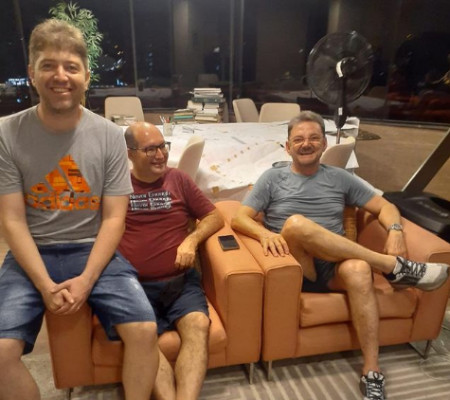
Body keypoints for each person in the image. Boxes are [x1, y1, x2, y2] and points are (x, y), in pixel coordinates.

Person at [230, 110, 449, 400]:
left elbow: (385, 206)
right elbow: (239, 218)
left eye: (313, 138)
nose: (306, 144)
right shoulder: (272, 178)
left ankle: (372, 371)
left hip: (334, 266)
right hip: (296, 267)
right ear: (288, 146)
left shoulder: (340, 178)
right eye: (298, 139)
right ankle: (392, 267)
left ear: (324, 144)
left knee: (359, 269)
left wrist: (396, 231)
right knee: (296, 224)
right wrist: (265, 234)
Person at [0, 20, 159, 400]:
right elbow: (12, 219)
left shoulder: (110, 136)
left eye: (71, 67)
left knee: (145, 331)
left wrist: (86, 279)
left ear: (86, 76)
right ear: (32, 74)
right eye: (48, 66)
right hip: (32, 251)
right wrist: (44, 284)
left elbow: (115, 218)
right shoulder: (6, 133)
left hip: (92, 248)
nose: (60, 76)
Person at [120, 122, 224, 400]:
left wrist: (192, 240)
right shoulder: (118, 186)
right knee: (142, 338)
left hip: (181, 281)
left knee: (198, 324)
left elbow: (215, 216)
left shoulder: (178, 179)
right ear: (130, 153)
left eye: (162, 146)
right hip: (134, 286)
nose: (160, 155)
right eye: (149, 149)